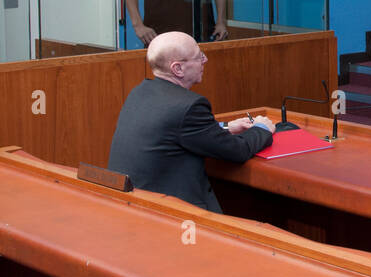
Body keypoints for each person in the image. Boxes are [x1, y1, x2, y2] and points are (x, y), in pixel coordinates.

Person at [107, 31, 274, 212]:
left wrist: (225, 127)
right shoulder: (189, 106)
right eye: (199, 56)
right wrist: (261, 128)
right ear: (178, 68)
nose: (205, 60)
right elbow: (237, 151)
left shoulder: (140, 92)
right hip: (171, 212)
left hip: (133, 204)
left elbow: (174, 132)